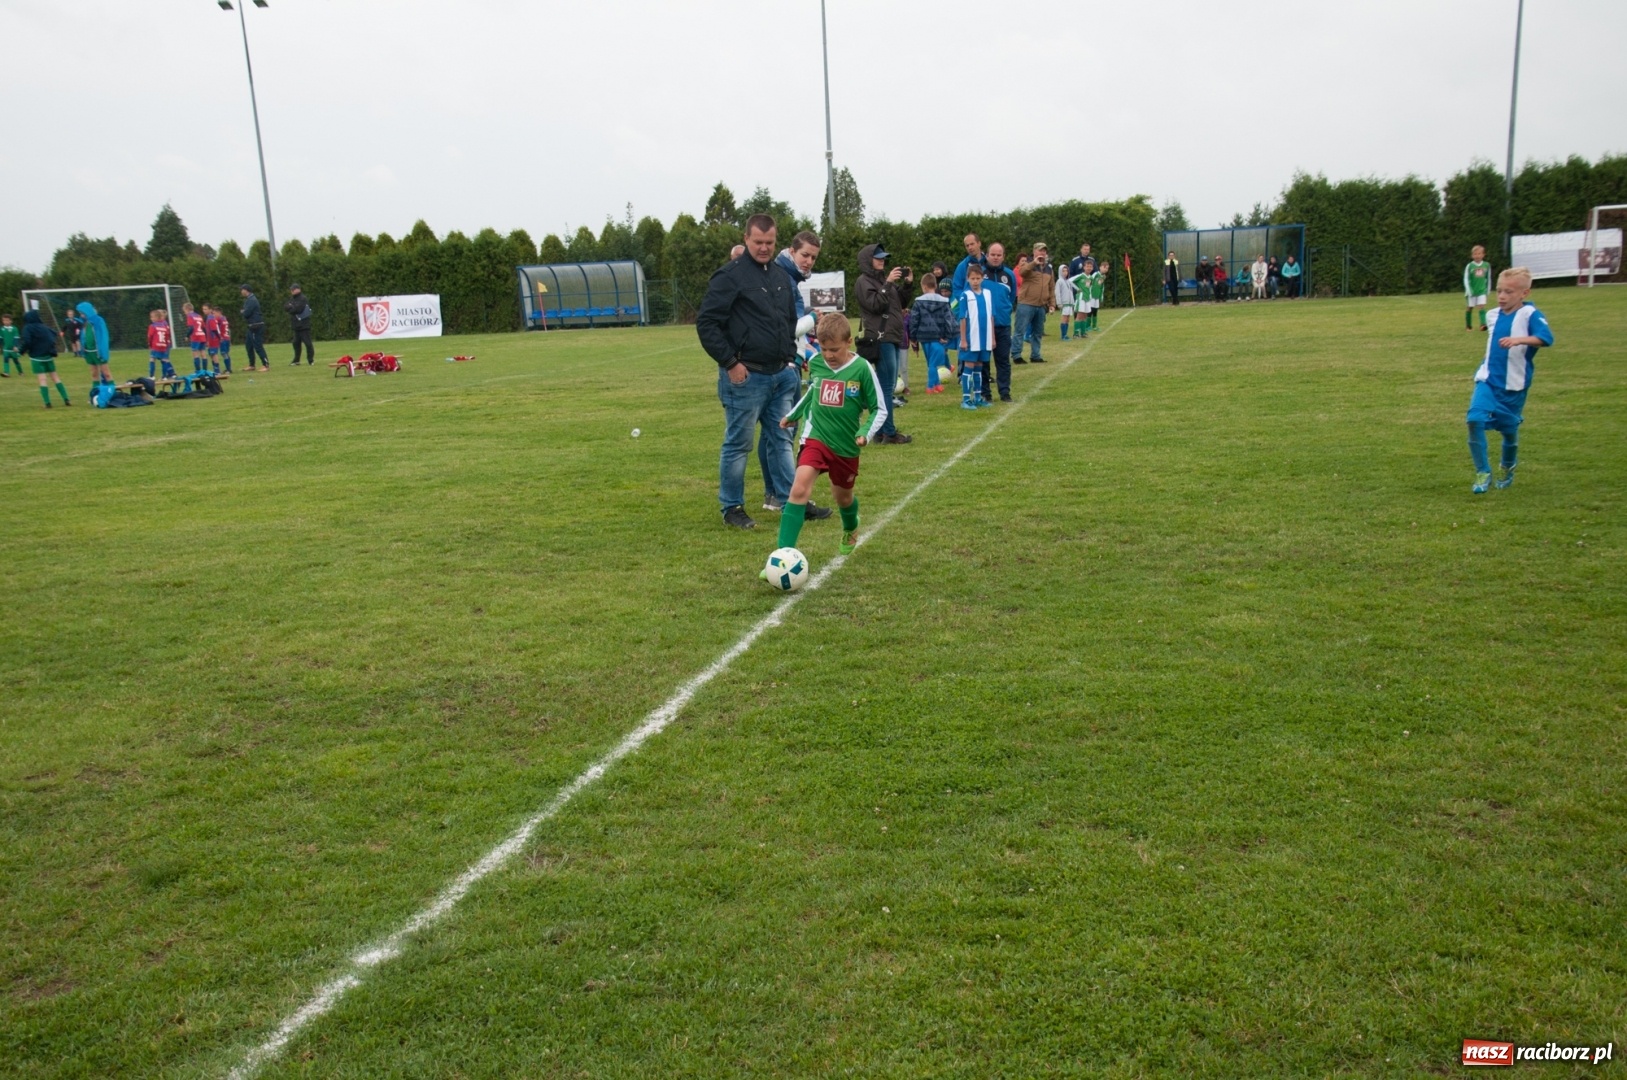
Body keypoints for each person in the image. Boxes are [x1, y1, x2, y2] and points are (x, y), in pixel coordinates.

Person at [697, 213, 819, 530]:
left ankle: (793, 501)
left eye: (769, 243)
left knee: (781, 441)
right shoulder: (729, 277)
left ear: (776, 242)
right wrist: (731, 363)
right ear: (747, 238)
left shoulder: (779, 275)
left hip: (781, 374)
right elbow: (707, 324)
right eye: (758, 242)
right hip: (745, 377)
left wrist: (791, 360)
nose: (764, 248)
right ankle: (732, 507)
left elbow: (787, 323)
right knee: (739, 444)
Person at [771, 312, 887, 562]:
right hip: (816, 437)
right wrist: (794, 414)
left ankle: (850, 526)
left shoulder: (862, 369)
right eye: (823, 349)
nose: (829, 355)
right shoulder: (816, 364)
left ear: (848, 342)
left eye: (834, 349)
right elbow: (813, 391)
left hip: (846, 444)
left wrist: (864, 432)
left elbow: (880, 408)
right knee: (799, 487)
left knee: (842, 497)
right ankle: (781, 557)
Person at [1466, 267, 1552, 493]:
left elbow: (1546, 338)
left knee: (1509, 433)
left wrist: (1518, 340)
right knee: (1474, 419)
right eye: (1499, 291)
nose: (1502, 296)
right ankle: (1483, 472)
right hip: (1488, 380)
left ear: (1524, 293)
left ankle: (1507, 466)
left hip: (1514, 385)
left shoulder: (1530, 314)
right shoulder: (1492, 314)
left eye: (1509, 292)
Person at [772, 229, 823, 508]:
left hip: (791, 359)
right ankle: (788, 498)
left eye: (813, 258)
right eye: (805, 255)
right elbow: (789, 328)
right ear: (792, 252)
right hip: (784, 364)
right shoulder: (785, 279)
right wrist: (813, 317)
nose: (808, 262)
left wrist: (805, 351)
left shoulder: (788, 276)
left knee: (776, 434)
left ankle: (775, 495)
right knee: (784, 432)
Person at [854, 243, 911, 443]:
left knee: (887, 385)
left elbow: (901, 302)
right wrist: (887, 284)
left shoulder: (883, 280)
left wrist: (907, 284)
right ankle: (888, 432)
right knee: (886, 386)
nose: (882, 261)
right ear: (868, 260)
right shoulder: (864, 281)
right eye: (878, 258)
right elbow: (875, 304)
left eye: (883, 258)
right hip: (881, 337)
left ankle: (879, 432)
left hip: (892, 336)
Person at [981, 242, 1017, 401]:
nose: (995, 258)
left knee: (1003, 360)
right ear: (987, 255)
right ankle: (985, 393)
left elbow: (1012, 297)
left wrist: (1004, 311)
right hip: (983, 326)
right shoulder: (979, 273)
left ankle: (1004, 392)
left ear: (1003, 256)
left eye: (999, 255)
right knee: (983, 361)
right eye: (992, 254)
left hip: (1003, 325)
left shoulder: (1009, 275)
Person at [909, 272, 956, 393]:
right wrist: (947, 336)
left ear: (924, 287)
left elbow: (914, 320)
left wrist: (913, 337)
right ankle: (930, 386)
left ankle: (937, 384)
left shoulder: (918, 302)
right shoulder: (944, 302)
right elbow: (949, 320)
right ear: (935, 286)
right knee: (933, 364)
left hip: (923, 336)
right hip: (938, 337)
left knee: (931, 362)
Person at [957, 263, 995, 410]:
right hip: (971, 338)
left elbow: (991, 316)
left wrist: (992, 338)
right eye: (972, 278)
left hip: (984, 338)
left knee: (979, 367)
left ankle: (978, 397)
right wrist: (964, 339)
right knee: (969, 366)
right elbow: (963, 318)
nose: (975, 281)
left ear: (982, 278)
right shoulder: (965, 296)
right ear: (968, 279)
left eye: (978, 278)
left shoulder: (987, 294)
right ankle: (966, 399)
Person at [1012, 243, 1053, 363]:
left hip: (1041, 305)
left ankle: (1035, 355)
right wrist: (1034, 262)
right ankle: (1016, 355)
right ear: (1034, 251)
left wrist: (1052, 304)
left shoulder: (1049, 269)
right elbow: (1022, 272)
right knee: (1020, 330)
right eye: (1039, 250)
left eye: (1044, 251)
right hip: (1026, 303)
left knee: (1037, 332)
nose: (1042, 253)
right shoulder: (1027, 263)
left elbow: (1051, 287)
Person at [21, 309, 69, 408]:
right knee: (55, 378)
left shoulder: (27, 328)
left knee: (42, 379)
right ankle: (66, 399)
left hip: (37, 358)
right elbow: (55, 334)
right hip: (48, 356)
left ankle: (47, 403)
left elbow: (27, 341)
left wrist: (21, 351)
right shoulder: (44, 327)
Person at [76, 301, 113, 393]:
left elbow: (103, 336)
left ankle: (112, 392)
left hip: (98, 352)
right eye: (80, 314)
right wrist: (83, 350)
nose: (81, 316)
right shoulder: (84, 323)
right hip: (89, 352)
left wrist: (102, 352)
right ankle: (95, 394)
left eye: (82, 313)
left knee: (106, 373)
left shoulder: (98, 320)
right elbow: (83, 337)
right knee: (94, 374)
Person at [1463, 244, 1492, 331]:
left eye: (1479, 254)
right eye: (1475, 254)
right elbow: (1466, 278)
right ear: (1472, 255)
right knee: (1469, 308)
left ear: (1483, 255)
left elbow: (1488, 278)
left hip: (1482, 290)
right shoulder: (1470, 266)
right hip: (1472, 292)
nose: (1477, 256)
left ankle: (1483, 325)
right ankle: (1468, 325)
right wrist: (1469, 290)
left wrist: (1488, 290)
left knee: (1481, 306)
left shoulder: (1486, 265)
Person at [240, 284, 269, 370]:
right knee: (248, 345)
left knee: (258, 345)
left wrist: (243, 312)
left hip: (255, 326)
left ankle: (266, 365)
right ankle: (252, 365)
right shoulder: (249, 299)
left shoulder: (252, 300)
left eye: (242, 289)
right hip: (251, 326)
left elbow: (246, 313)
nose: (241, 291)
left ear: (246, 290)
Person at [286, 284, 315, 365]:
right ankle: (296, 360)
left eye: (293, 289)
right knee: (295, 343)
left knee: (308, 343)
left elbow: (298, 309)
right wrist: (291, 307)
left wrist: (291, 308)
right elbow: (286, 306)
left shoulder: (303, 298)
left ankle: (310, 360)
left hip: (304, 325)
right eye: (291, 289)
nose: (292, 291)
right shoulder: (292, 299)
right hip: (296, 325)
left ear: (298, 289)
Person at [147, 308, 175, 378]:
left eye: (152, 317)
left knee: (152, 359)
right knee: (164, 360)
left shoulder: (153, 326)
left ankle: (152, 376)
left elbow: (150, 336)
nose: (151, 318)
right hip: (164, 345)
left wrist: (150, 345)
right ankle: (165, 376)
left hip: (156, 345)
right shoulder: (164, 325)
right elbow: (167, 335)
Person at [182, 302, 208, 372]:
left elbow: (191, 328)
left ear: (187, 309)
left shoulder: (190, 316)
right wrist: (206, 337)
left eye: (184, 311)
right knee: (203, 353)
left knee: (195, 353)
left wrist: (187, 336)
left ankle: (198, 370)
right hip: (202, 335)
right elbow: (204, 328)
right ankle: (205, 370)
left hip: (196, 336)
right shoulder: (199, 316)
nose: (184, 313)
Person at [1056, 263, 1078, 337]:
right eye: (1063, 271)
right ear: (1060, 272)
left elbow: (1072, 290)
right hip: (1064, 303)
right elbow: (1057, 293)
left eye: (1066, 271)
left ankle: (1066, 334)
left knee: (1068, 319)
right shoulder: (1059, 281)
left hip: (1069, 303)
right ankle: (1063, 335)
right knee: (1064, 318)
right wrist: (1059, 303)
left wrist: (1072, 302)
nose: (1065, 273)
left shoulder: (1068, 281)